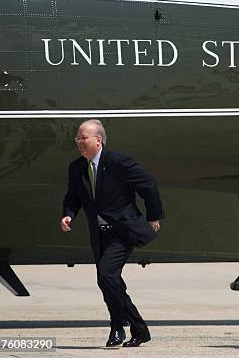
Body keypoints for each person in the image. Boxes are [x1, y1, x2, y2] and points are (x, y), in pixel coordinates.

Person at [60, 119, 164, 348]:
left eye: (83, 138)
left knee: (107, 275)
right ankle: (123, 328)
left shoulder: (117, 161)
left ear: (98, 140)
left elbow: (148, 184)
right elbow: (73, 196)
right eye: (77, 138)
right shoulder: (76, 167)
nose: (79, 142)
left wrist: (153, 216)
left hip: (122, 231)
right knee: (107, 281)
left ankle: (131, 327)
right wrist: (68, 214)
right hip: (99, 234)